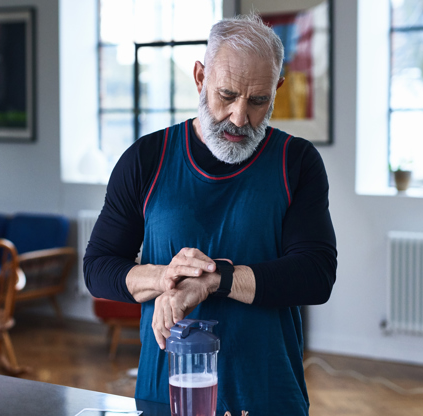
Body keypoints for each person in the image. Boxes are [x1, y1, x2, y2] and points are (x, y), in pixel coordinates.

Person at [84, 13, 337, 416]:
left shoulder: (297, 162)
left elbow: (316, 274)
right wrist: (165, 276)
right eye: (227, 95)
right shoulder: (146, 159)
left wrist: (212, 281)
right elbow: (98, 268)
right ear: (200, 78)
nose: (240, 118)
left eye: (258, 101)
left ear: (278, 89)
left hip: (268, 395)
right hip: (167, 395)